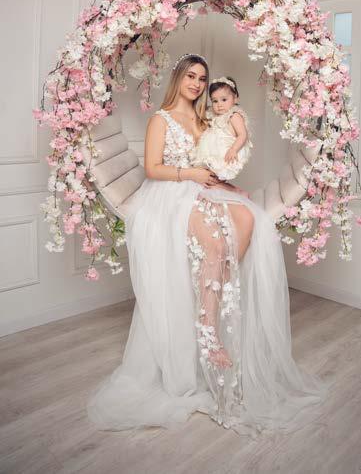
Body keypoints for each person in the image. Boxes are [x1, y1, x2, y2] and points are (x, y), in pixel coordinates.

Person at [86, 53, 329, 439]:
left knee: (248, 218)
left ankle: (218, 294)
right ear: (178, 79)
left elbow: (213, 164)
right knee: (215, 241)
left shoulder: (205, 120)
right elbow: (152, 168)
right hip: (169, 191)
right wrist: (191, 174)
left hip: (201, 186)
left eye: (202, 78)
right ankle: (208, 328)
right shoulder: (161, 118)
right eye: (191, 76)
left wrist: (229, 186)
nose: (197, 84)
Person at [190, 75, 252, 196]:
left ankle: (237, 192)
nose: (219, 105)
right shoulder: (215, 115)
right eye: (215, 101)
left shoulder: (234, 115)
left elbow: (242, 135)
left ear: (235, 98)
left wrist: (233, 149)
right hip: (214, 150)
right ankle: (234, 191)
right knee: (209, 179)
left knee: (211, 179)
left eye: (224, 100)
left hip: (226, 151)